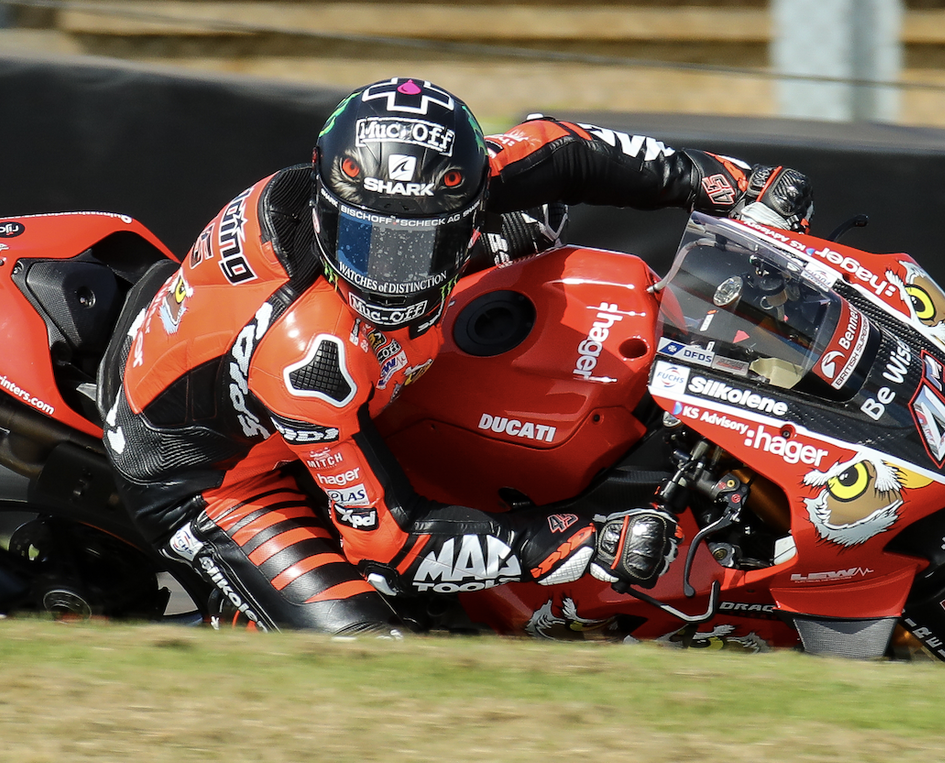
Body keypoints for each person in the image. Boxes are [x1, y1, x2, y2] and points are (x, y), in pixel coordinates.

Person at [99, 77, 814, 634]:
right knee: (368, 660)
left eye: (419, 246)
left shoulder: (422, 183)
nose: (393, 276)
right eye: (368, 243)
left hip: (284, 354)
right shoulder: (309, 353)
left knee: (539, 223)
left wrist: (728, 182)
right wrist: (577, 542)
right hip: (210, 476)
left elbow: (565, 148)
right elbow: (391, 543)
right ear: (328, 207)